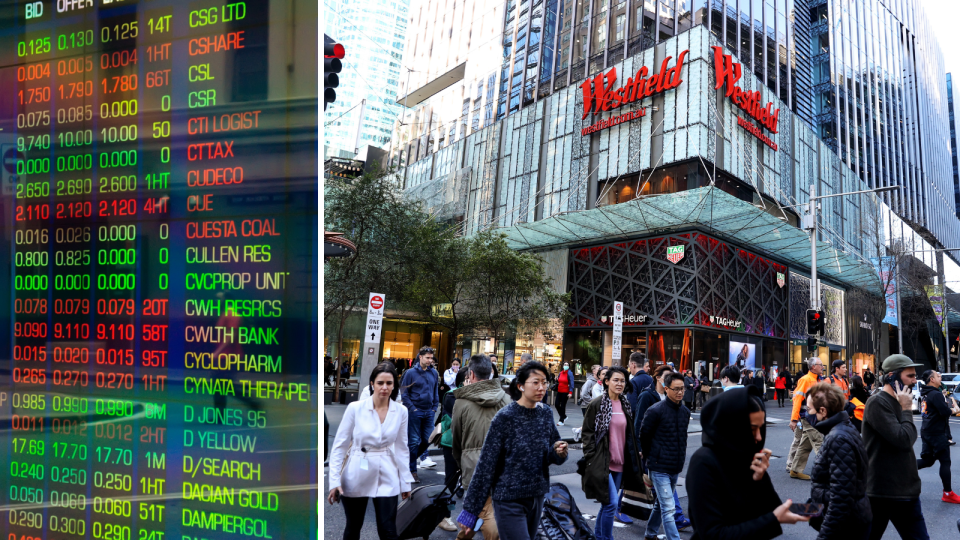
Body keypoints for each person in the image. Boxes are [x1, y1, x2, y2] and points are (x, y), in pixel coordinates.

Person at [456, 361, 568, 540]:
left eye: (545, 382)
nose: (541, 387)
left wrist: (559, 452)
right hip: (508, 499)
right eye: (536, 382)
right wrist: (471, 511)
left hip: (537, 495)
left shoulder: (546, 413)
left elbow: (551, 453)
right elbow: (486, 464)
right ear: (520, 386)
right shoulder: (505, 417)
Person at [687, 386, 808, 540]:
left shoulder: (744, 455)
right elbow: (712, 534)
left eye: (761, 428)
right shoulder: (703, 462)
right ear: (732, 426)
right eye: (751, 429)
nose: (758, 437)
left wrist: (760, 479)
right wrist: (772, 519)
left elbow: (772, 508)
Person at [328, 363, 414, 540]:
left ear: (394, 385)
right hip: (357, 470)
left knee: (388, 529)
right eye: (380, 382)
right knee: (353, 526)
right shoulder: (355, 408)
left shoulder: (401, 411)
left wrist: (405, 482)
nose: (384, 387)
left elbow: (402, 448)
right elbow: (339, 446)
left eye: (389, 383)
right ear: (372, 384)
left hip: (387, 472)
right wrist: (334, 480)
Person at [863, 354, 930, 540]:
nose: (915, 380)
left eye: (915, 375)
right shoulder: (878, 403)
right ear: (892, 376)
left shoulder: (900, 401)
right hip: (882, 492)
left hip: (906, 489)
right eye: (910, 376)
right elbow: (904, 439)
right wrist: (907, 409)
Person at [581, 367, 644, 540]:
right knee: (611, 504)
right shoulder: (597, 404)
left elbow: (629, 433)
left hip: (620, 462)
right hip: (603, 461)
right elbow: (587, 433)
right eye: (615, 380)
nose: (619, 383)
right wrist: (592, 456)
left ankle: (599, 536)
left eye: (622, 380)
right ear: (606, 381)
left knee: (606, 504)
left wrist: (635, 451)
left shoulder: (625, 404)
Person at [452, 354, 510, 540]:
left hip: (473, 465)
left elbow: (457, 440)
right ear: (492, 372)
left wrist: (462, 464)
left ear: (471, 374)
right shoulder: (506, 400)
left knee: (477, 511)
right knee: (488, 510)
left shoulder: (461, 402)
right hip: (501, 466)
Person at [805, 383, 872, 540]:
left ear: (823, 411)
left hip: (847, 526)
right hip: (852, 519)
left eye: (809, 410)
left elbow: (841, 498)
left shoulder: (838, 438)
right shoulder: (842, 429)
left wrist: (825, 535)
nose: (806, 414)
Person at [633, 364, 690, 530]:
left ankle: (651, 532)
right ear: (665, 386)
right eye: (676, 388)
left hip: (675, 463)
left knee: (661, 503)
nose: (680, 392)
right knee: (668, 506)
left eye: (682, 389)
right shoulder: (650, 401)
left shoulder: (684, 411)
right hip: (657, 463)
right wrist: (645, 451)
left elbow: (681, 437)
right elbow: (642, 430)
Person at [917, 370, 960, 504]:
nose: (940, 378)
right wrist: (955, 410)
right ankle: (948, 493)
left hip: (927, 431)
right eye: (938, 376)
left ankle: (902, 468)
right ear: (932, 380)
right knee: (945, 461)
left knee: (929, 460)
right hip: (936, 433)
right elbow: (945, 412)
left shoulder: (926, 393)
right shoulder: (935, 394)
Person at [437, 366, 471, 532]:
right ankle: (445, 517)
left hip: (472, 445)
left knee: (473, 482)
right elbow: (457, 419)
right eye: (469, 378)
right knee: (450, 481)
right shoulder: (451, 395)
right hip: (452, 443)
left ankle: (472, 518)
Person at [400, 346, 440, 482]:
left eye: (431, 358)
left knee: (429, 439)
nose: (430, 360)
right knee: (414, 441)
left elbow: (435, 391)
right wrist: (413, 409)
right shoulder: (410, 373)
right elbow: (404, 393)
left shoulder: (433, 373)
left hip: (429, 411)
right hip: (415, 411)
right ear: (420, 357)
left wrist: (434, 407)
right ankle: (412, 470)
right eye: (427, 358)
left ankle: (407, 461)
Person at [787, 358, 824, 480]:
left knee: (805, 444)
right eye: (820, 365)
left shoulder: (816, 379)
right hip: (808, 416)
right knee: (819, 441)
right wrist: (794, 419)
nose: (822, 367)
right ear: (813, 367)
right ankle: (826, 471)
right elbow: (797, 399)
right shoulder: (806, 380)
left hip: (812, 415)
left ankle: (796, 470)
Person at [555, 361, 575, 426]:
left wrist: (570, 392)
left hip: (565, 391)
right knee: (556, 404)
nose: (566, 365)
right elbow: (558, 380)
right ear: (563, 365)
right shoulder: (560, 373)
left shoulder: (569, 373)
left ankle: (561, 420)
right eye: (565, 364)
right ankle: (564, 416)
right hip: (559, 390)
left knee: (563, 405)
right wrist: (556, 379)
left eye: (567, 365)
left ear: (568, 366)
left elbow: (572, 383)